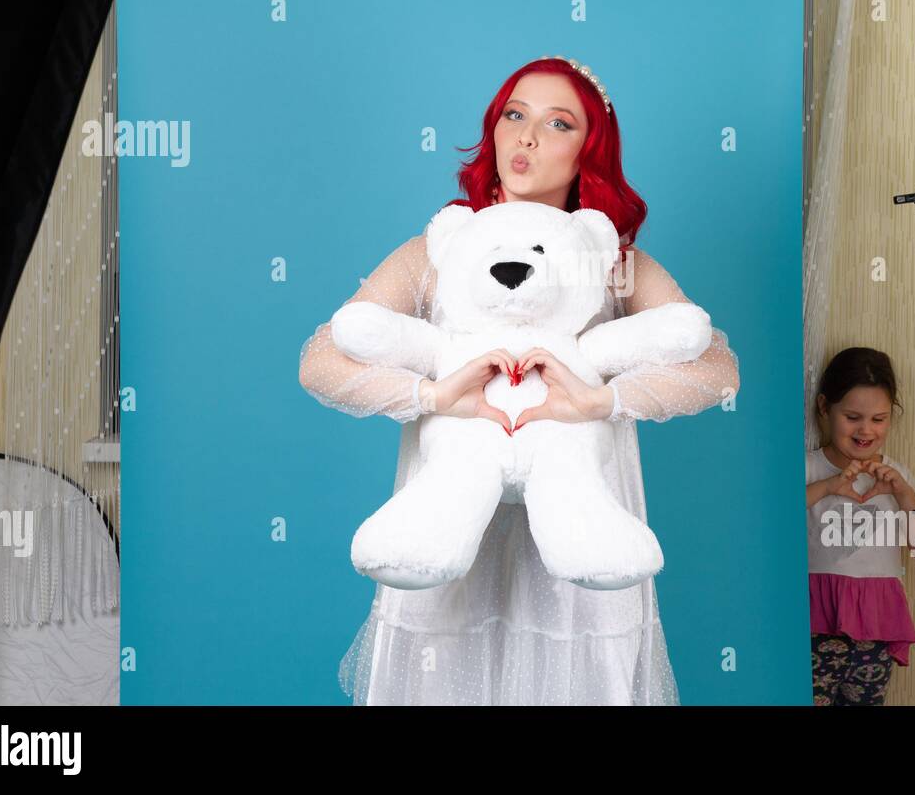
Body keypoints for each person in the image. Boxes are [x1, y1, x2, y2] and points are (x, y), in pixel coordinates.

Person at [298, 55, 741, 705]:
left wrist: (601, 400)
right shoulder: (444, 248)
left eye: (558, 122)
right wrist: (433, 394)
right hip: (452, 542)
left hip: (579, 551)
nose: (527, 136)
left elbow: (714, 367)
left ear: (589, 149)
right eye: (515, 114)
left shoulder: (611, 260)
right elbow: (323, 360)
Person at [806, 347, 915, 705]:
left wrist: (904, 492)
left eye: (878, 419)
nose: (866, 430)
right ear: (824, 408)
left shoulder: (898, 478)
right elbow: (773, 520)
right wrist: (830, 486)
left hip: (876, 623)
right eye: (852, 417)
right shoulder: (808, 469)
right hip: (816, 618)